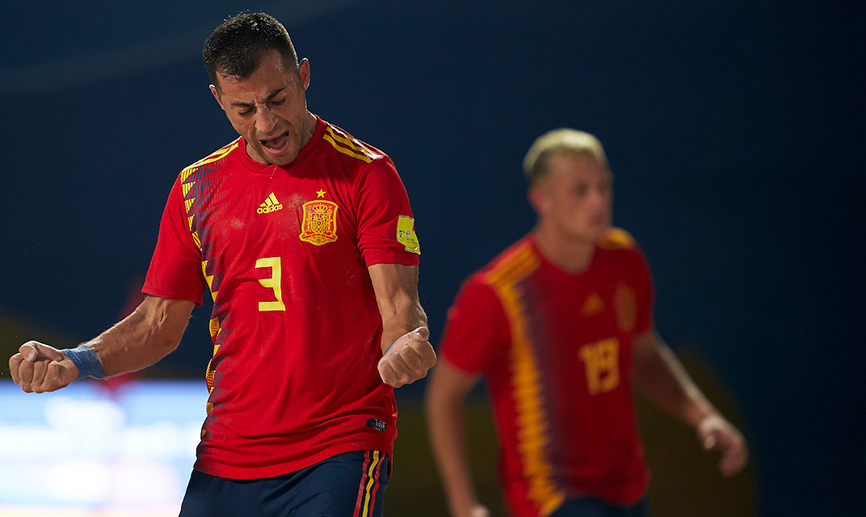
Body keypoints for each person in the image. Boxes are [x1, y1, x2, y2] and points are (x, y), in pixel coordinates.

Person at [8, 12, 436, 517]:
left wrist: (407, 346)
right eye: (244, 109)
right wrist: (75, 361)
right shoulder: (196, 189)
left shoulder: (367, 174)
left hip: (339, 446)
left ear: (302, 75)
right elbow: (157, 326)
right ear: (218, 100)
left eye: (277, 99)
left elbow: (400, 309)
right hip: (227, 455)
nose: (266, 124)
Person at [425, 129, 748, 517]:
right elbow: (444, 397)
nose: (597, 201)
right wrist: (463, 503)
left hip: (627, 484)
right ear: (540, 199)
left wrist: (704, 416)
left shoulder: (624, 258)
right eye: (579, 191)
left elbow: (644, 356)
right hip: (551, 492)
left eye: (603, 187)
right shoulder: (499, 291)